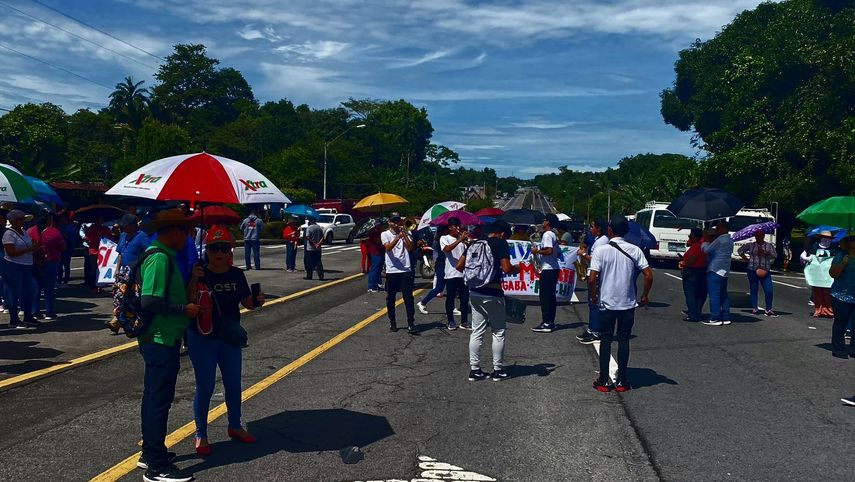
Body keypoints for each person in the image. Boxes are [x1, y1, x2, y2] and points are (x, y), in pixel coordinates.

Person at [186, 226, 263, 456]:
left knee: (233, 384)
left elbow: (247, 303)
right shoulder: (199, 272)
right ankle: (201, 433)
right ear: (206, 250)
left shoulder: (236, 274)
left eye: (224, 247)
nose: (218, 252)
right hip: (202, 338)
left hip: (228, 338)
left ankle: (235, 425)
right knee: (206, 386)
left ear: (230, 250)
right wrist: (193, 279)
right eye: (213, 248)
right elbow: (188, 303)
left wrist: (258, 300)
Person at [137, 209, 199, 482]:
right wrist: (183, 309)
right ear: (173, 231)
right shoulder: (160, 258)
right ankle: (157, 467)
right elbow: (149, 301)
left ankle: (151, 453)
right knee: (158, 401)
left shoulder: (164, 256)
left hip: (163, 337)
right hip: (160, 338)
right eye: (185, 232)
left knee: (153, 397)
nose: (188, 237)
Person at [589, 216, 654, 392]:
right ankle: (622, 381)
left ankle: (603, 380)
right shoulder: (635, 250)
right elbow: (648, 275)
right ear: (626, 231)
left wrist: (593, 295)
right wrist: (644, 295)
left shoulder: (601, 250)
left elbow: (592, 278)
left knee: (606, 339)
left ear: (610, 230)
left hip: (607, 302)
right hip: (627, 303)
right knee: (624, 339)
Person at [458, 220, 519, 381]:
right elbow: (506, 268)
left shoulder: (475, 243)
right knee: (498, 331)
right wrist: (517, 268)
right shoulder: (500, 244)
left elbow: (459, 265)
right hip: (493, 292)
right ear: (503, 234)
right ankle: (497, 370)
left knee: (477, 331)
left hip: (474, 292)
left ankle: (475, 370)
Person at [107, 214, 149, 333]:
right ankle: (117, 321)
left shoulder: (142, 237)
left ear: (132, 226)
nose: (122, 228)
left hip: (135, 273)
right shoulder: (124, 236)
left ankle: (121, 322)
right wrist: (117, 269)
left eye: (124, 226)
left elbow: (148, 253)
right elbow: (120, 253)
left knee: (131, 298)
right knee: (119, 297)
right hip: (123, 272)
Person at [3, 210, 39, 329]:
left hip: (26, 265)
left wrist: (32, 246)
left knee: (29, 291)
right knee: (14, 292)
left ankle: (28, 316)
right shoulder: (9, 234)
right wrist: (29, 250)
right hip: (14, 266)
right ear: (15, 221)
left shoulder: (23, 232)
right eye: (22, 219)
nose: (24, 221)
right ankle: (14, 319)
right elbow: (10, 252)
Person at [577, 219, 610, 344]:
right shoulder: (598, 240)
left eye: (592, 226)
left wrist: (584, 254)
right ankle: (591, 329)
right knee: (591, 303)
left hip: (596, 275)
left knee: (595, 303)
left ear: (599, 228)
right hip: (592, 273)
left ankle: (596, 331)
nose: (591, 229)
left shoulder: (602, 242)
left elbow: (596, 260)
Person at [382, 215, 416, 333]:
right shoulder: (385, 234)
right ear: (389, 223)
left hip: (405, 270)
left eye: (398, 222)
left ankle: (411, 323)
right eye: (394, 222)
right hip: (392, 270)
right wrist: (398, 237)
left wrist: (405, 235)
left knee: (408, 297)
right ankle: (393, 322)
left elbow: (411, 248)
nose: (397, 224)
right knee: (391, 298)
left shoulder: (406, 233)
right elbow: (388, 247)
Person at [31, 214, 65, 321]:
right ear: (49, 221)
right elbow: (63, 246)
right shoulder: (53, 232)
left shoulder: (30, 231)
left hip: (34, 262)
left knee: (36, 288)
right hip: (50, 261)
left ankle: (35, 311)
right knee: (49, 289)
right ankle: (49, 312)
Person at [531, 213, 561, 333]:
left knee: (545, 297)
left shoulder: (548, 234)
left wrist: (537, 251)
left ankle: (547, 322)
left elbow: (549, 250)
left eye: (544, 220)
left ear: (548, 222)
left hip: (548, 269)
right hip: (553, 268)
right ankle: (550, 321)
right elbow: (557, 253)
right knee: (550, 296)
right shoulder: (553, 234)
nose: (543, 222)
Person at [440, 217, 471, 331]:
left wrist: (467, 242)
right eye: (455, 227)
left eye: (459, 226)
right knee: (450, 298)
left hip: (463, 273)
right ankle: (450, 321)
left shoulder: (462, 240)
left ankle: (464, 321)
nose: (458, 229)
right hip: (451, 273)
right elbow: (447, 249)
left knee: (464, 298)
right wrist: (459, 239)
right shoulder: (444, 238)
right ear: (450, 228)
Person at [738, 231, 778, 317]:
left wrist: (767, 253)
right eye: (757, 236)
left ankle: (768, 308)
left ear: (763, 236)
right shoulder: (751, 245)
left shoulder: (768, 245)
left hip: (765, 269)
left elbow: (775, 255)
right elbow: (740, 250)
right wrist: (746, 259)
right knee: (754, 288)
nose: (758, 237)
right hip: (752, 269)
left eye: (760, 235)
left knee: (769, 290)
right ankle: (755, 308)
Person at [702, 221, 734, 326]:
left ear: (723, 228)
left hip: (715, 269)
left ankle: (715, 318)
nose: (716, 229)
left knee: (714, 295)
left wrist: (705, 242)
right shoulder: (730, 240)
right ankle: (726, 316)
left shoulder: (720, 239)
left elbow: (707, 250)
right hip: (725, 270)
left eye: (718, 227)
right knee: (723, 295)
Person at [803, 231, 835, 318]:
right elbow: (804, 255)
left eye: (828, 238)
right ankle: (818, 310)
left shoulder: (834, 249)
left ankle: (829, 311)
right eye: (824, 237)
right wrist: (808, 258)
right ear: (821, 238)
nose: (826, 239)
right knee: (817, 293)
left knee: (828, 294)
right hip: (816, 275)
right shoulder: (813, 247)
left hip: (827, 276)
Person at [417, 226, 449, 313]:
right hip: (441, 264)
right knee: (439, 287)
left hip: (444, 265)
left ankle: (451, 307)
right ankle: (423, 302)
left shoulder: (440, 239)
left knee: (448, 287)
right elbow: (446, 250)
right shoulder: (440, 240)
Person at [679, 227, 708, 322]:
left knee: (690, 294)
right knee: (700, 294)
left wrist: (683, 263)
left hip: (692, 271)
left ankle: (693, 315)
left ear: (695, 236)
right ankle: (697, 312)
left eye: (690, 235)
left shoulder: (696, 246)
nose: (689, 237)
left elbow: (691, 260)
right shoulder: (704, 245)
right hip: (702, 271)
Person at [83, 216, 111, 293]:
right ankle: (92, 286)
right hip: (94, 251)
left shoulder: (105, 228)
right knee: (93, 269)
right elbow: (88, 240)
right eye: (99, 219)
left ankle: (100, 285)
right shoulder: (91, 228)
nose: (101, 221)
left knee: (102, 269)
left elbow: (110, 237)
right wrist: (97, 239)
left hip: (104, 252)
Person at [362, 221, 386, 292]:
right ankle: (371, 286)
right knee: (374, 269)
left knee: (379, 269)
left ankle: (377, 284)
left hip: (380, 252)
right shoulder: (372, 232)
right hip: (375, 252)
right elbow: (377, 241)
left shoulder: (378, 231)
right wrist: (381, 233)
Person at [57, 212, 76, 287]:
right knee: (59, 265)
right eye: (62, 219)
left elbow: (73, 238)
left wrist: (65, 235)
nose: (63, 220)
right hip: (59, 249)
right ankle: (59, 280)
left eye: (65, 219)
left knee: (66, 265)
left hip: (68, 248)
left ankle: (66, 281)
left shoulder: (72, 227)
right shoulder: (59, 227)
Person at [303, 216, 325, 280]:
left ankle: (309, 276)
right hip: (318, 248)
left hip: (310, 248)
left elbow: (308, 237)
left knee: (309, 262)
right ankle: (321, 276)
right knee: (318, 262)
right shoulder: (319, 228)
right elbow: (322, 237)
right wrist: (318, 244)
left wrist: (314, 244)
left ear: (311, 221)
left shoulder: (309, 228)